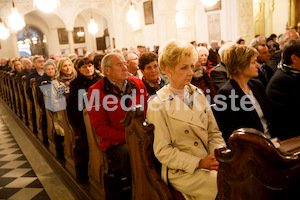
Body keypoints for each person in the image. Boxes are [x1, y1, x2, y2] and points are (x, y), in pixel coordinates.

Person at [146, 39, 226, 200]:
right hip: (183, 170)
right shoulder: (158, 103)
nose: (191, 72)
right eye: (184, 68)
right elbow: (163, 151)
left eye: (191, 66)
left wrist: (216, 156)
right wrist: (199, 163)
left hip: (209, 160)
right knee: (224, 185)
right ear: (168, 70)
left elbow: (214, 133)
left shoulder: (198, 94)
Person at [87, 52, 149, 184]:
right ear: (107, 70)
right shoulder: (96, 91)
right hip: (116, 143)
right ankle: (138, 188)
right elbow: (101, 128)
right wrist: (129, 136)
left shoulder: (137, 84)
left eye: (125, 64)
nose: (125, 68)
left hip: (142, 134)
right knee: (129, 152)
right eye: (119, 65)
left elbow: (150, 110)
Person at [214, 44, 272, 142]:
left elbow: (270, 116)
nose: (258, 65)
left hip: (270, 139)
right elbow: (233, 132)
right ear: (240, 67)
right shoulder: (226, 93)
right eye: (253, 62)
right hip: (252, 146)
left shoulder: (256, 84)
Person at [266, 39, 300, 140]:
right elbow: (290, 117)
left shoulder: (293, 74)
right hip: (289, 137)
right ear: (294, 58)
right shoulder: (281, 81)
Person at [69, 58, 102, 139]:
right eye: (84, 67)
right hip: (84, 113)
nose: (88, 69)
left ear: (93, 67)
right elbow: (75, 104)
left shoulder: (101, 79)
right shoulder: (75, 83)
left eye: (90, 66)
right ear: (79, 70)